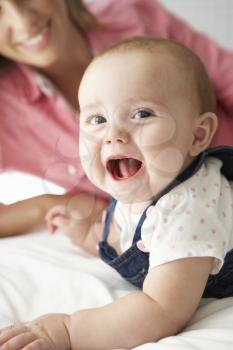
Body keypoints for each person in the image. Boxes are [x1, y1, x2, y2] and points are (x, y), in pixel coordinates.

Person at [1, 37, 233, 350]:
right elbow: (138, 240)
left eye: (141, 114)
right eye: (97, 120)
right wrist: (92, 233)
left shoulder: (190, 207)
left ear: (198, 135)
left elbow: (161, 309)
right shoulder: (147, 181)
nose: (114, 135)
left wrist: (66, 331)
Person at [0, 0, 233, 240]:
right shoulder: (4, 110)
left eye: (143, 114)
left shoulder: (132, 14)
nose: (23, 21)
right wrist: (45, 206)